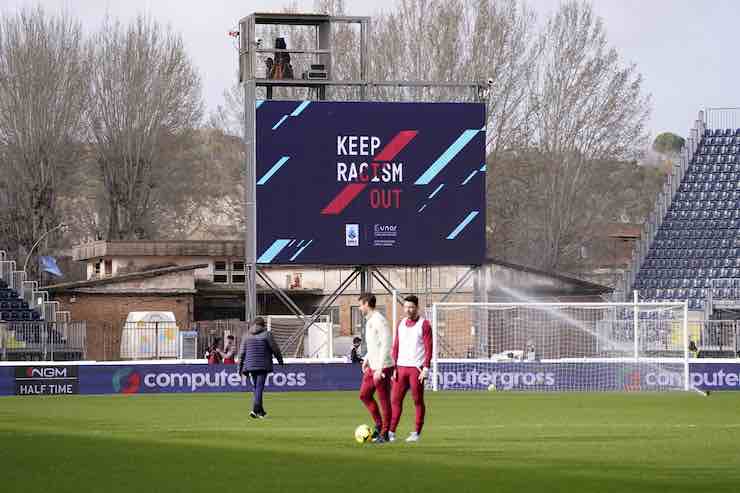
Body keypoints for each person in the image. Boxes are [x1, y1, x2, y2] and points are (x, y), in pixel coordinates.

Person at [389, 295, 433, 443]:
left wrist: (426, 368)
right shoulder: (400, 324)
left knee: (417, 401)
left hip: (416, 369)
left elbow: (428, 348)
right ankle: (391, 432)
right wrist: (394, 366)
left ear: (416, 308)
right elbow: (396, 346)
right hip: (400, 368)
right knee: (395, 401)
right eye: (406, 307)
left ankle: (416, 433)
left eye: (411, 307)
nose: (408, 310)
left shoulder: (424, 324)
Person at [358, 293, 393, 443]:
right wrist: (366, 358)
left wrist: (380, 368)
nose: (359, 308)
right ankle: (379, 425)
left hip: (383, 367)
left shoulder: (380, 320)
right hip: (372, 366)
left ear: (366, 304)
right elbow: (374, 344)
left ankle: (385, 433)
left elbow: (386, 344)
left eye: (360, 305)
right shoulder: (370, 321)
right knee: (364, 395)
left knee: (384, 400)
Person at [238, 317, 284, 419]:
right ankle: (255, 410)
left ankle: (261, 412)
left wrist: (239, 368)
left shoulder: (246, 336)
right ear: (263, 325)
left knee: (256, 388)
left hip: (249, 365)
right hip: (263, 365)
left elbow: (241, 354)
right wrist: (280, 360)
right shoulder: (267, 334)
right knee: (259, 387)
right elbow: (275, 349)